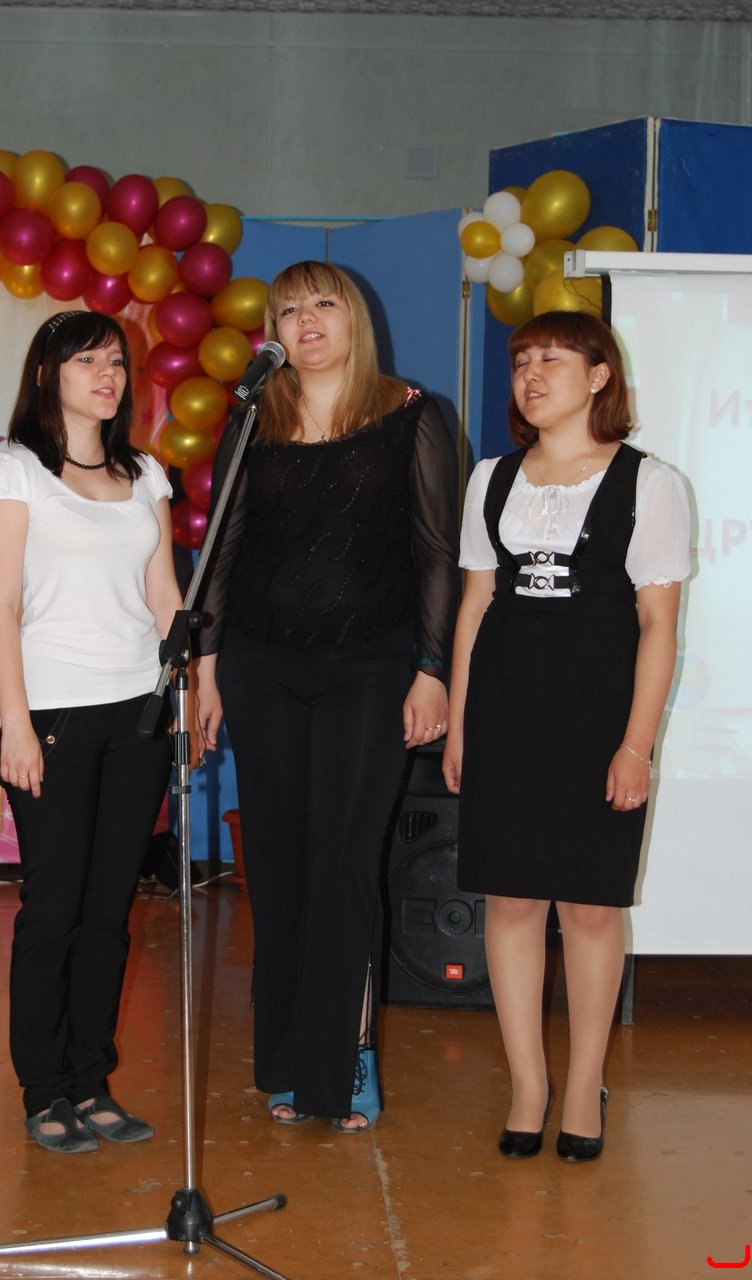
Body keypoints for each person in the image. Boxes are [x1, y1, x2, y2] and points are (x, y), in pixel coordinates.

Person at [195, 261, 459, 1132]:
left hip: (370, 669)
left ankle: (346, 1060)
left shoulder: (412, 415)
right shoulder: (253, 418)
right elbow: (223, 549)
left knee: (344, 863)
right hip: (261, 667)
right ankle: (285, 1061)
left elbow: (436, 553)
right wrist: (205, 668)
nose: (305, 322)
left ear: (355, 319)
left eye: (323, 305)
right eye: (288, 310)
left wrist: (432, 668)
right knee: (277, 865)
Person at [443, 309, 690, 1162]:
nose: (531, 375)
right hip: (505, 713)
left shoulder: (650, 483)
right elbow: (474, 608)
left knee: (589, 907)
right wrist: (460, 726)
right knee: (511, 900)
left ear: (599, 376)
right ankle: (528, 1085)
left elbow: (658, 625)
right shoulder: (490, 480)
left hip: (597, 717)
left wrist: (636, 745)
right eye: (521, 363)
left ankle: (584, 1086)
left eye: (551, 359)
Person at [0, 310, 184, 1155]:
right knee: (53, 908)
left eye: (116, 361)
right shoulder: (15, 471)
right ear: (46, 374)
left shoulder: (145, 472)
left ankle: (92, 1080)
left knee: (108, 910)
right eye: (87, 360)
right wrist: (15, 724)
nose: (108, 374)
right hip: (54, 714)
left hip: (138, 712)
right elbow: (0, 606)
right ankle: (44, 1088)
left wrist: (187, 692)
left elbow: (164, 596)